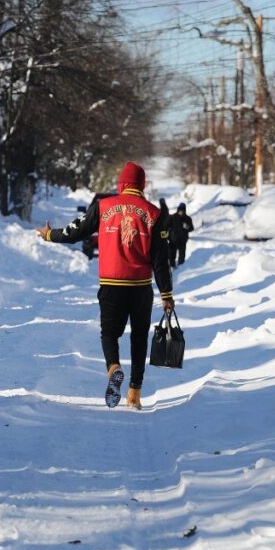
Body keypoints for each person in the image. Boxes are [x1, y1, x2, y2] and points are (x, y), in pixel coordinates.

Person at [37, 162, 173, 410]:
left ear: (121, 183)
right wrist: (167, 294)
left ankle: (113, 367)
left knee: (109, 334)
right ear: (142, 185)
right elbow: (160, 260)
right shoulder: (154, 214)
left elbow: (75, 231)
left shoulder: (103, 206)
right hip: (141, 287)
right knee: (140, 338)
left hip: (112, 285)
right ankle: (134, 394)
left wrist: (49, 234)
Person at [168, 203, 194, 267]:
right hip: (172, 240)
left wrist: (187, 227)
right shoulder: (172, 217)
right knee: (171, 256)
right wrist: (166, 236)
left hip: (182, 241)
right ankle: (171, 267)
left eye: (183, 210)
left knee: (182, 257)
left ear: (185, 210)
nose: (181, 212)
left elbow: (191, 228)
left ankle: (180, 269)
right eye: (180, 210)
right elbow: (165, 227)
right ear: (178, 210)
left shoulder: (188, 219)